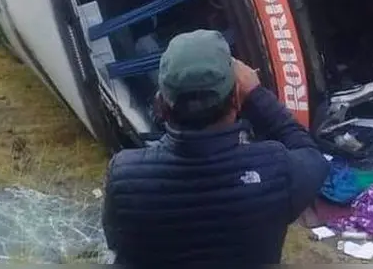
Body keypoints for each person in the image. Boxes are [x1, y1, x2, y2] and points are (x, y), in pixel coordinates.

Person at [102, 29, 329, 267]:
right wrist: (255, 95)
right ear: (236, 99)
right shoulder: (275, 169)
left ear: (161, 106)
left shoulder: (124, 176)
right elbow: (313, 157)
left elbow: (117, 243)